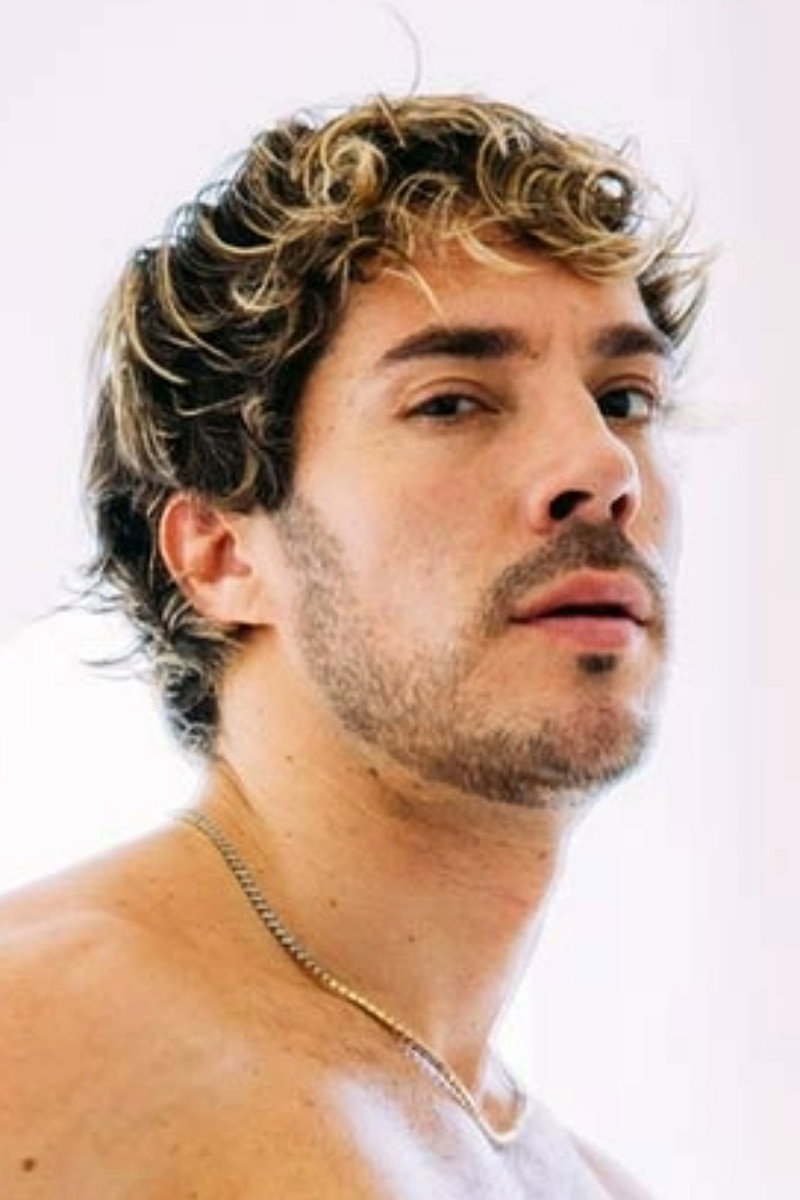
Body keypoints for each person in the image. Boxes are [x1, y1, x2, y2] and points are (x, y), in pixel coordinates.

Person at [0, 94, 705, 1197]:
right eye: (452, 403)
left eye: (623, 397)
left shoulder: (585, 1182)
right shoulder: (37, 1046)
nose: (603, 467)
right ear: (220, 554)